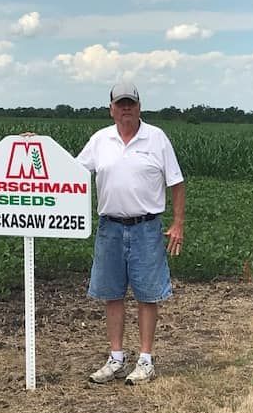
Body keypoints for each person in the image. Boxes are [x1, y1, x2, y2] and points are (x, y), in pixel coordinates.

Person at [76, 81, 186, 385]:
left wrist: (178, 223)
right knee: (111, 293)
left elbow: (176, 183)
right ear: (111, 109)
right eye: (120, 104)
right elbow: (71, 174)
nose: (126, 109)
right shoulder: (100, 140)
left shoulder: (157, 139)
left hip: (146, 228)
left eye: (131, 103)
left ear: (139, 107)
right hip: (109, 228)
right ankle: (116, 358)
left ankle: (146, 360)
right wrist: (35, 149)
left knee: (147, 294)